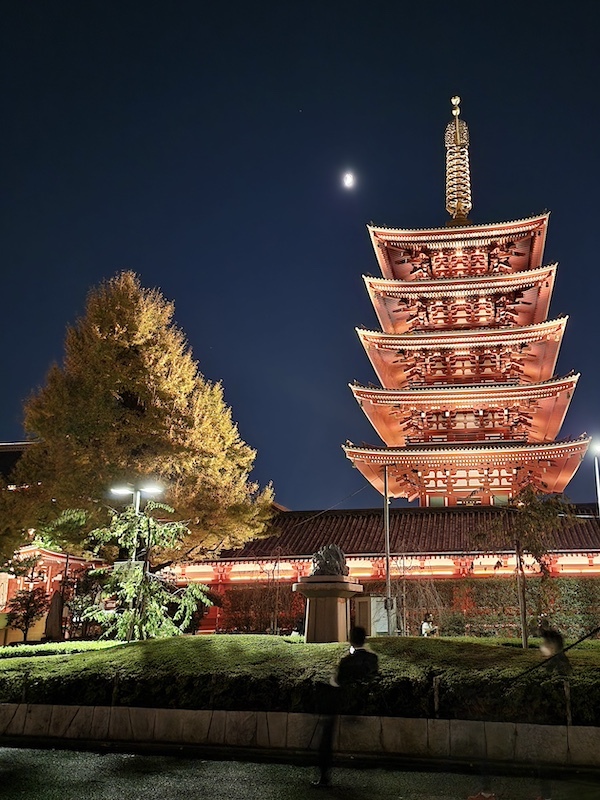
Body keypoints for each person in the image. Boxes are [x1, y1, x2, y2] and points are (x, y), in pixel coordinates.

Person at [314, 626, 378, 788]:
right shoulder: (373, 659)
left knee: (325, 735)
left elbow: (337, 683)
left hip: (343, 705)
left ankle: (324, 776)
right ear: (365, 639)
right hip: (368, 703)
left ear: (351, 639)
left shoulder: (346, 661)